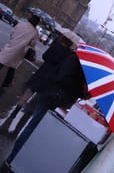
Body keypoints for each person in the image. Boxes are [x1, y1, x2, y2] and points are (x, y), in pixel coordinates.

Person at [4, 27, 90, 167]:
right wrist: (80, 90)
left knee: (32, 115)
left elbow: (49, 60)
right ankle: (12, 158)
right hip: (51, 93)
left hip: (49, 88)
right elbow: (63, 77)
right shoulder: (71, 57)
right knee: (32, 126)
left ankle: (15, 154)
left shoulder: (68, 55)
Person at [0, 14, 39, 92]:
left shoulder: (21, 24)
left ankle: (6, 84)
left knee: (1, 61)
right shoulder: (35, 32)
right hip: (20, 51)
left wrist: (13, 40)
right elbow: (32, 44)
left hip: (11, 45)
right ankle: (6, 84)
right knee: (12, 67)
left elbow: (12, 33)